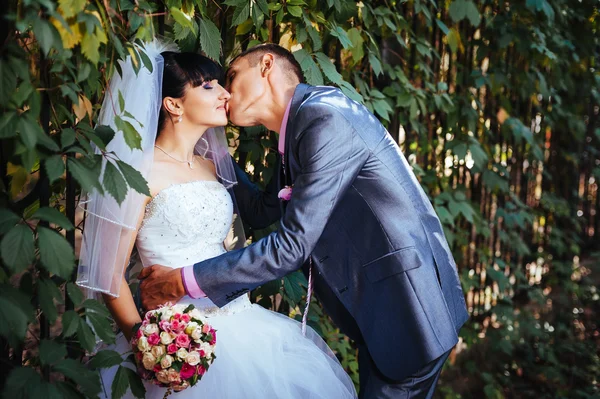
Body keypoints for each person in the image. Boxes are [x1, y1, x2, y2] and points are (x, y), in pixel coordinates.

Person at [139, 43, 470, 398]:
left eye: (231, 77)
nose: (225, 92)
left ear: (266, 65)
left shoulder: (324, 118)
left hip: (407, 309)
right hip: (386, 311)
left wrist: (185, 280)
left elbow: (292, 246)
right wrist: (206, 151)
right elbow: (260, 209)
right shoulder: (301, 126)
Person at [78, 41, 356, 399]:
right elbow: (109, 276)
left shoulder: (212, 165)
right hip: (175, 334)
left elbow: (260, 211)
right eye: (209, 86)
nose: (226, 94)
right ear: (173, 104)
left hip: (242, 325)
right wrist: (147, 346)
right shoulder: (137, 173)